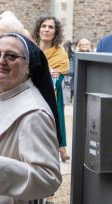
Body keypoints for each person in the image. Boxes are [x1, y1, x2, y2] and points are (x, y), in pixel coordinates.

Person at [0, 33, 62, 203]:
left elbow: (49, 178)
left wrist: (0, 167)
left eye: (11, 56)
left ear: (29, 66)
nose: (1, 61)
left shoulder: (34, 112)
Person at [33, 16, 69, 163]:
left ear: (56, 32)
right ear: (38, 29)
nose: (47, 30)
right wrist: (46, 69)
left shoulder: (60, 54)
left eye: (51, 27)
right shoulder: (31, 48)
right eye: (44, 26)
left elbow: (58, 78)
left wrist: (43, 72)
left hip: (50, 97)